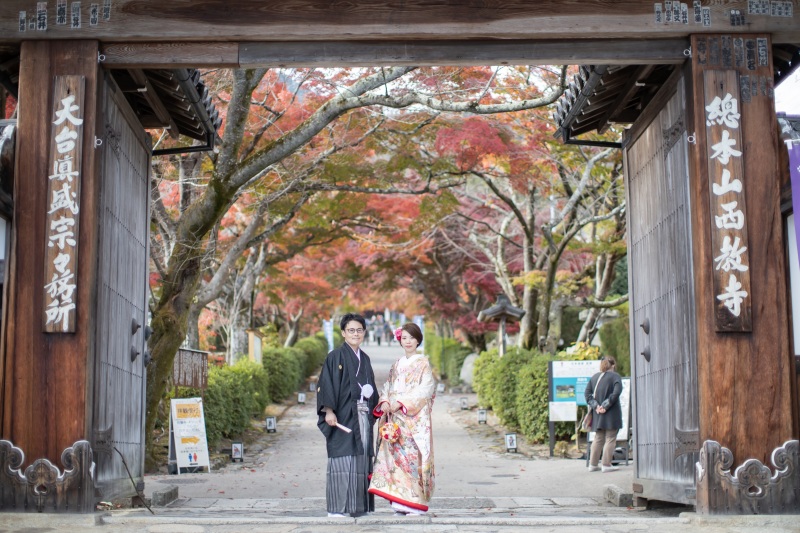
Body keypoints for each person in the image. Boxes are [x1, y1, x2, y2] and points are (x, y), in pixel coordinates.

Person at [368, 323, 435, 515]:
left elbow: (426, 389)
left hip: (411, 418)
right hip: (394, 418)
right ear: (400, 340)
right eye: (404, 338)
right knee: (395, 459)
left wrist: (402, 402)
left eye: (412, 338)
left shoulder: (423, 363)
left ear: (418, 340)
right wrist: (385, 401)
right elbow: (387, 387)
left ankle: (414, 502)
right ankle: (399, 502)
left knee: (411, 459)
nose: (408, 341)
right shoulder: (396, 364)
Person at [317, 313, 378, 517]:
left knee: (361, 458)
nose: (355, 334)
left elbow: (372, 389)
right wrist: (329, 410)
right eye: (351, 330)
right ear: (343, 333)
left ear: (364, 332)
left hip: (363, 416)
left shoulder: (365, 359)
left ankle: (358, 507)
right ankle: (337, 508)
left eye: (359, 330)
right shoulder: (335, 356)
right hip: (343, 415)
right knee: (342, 458)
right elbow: (326, 383)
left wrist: (377, 409)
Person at [584, 356, 623, 473]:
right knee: (610, 438)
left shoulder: (594, 377)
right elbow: (617, 392)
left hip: (598, 414)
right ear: (613, 365)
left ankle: (593, 464)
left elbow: (587, 394)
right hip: (611, 413)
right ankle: (606, 464)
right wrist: (605, 406)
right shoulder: (615, 376)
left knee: (598, 438)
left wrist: (597, 406)